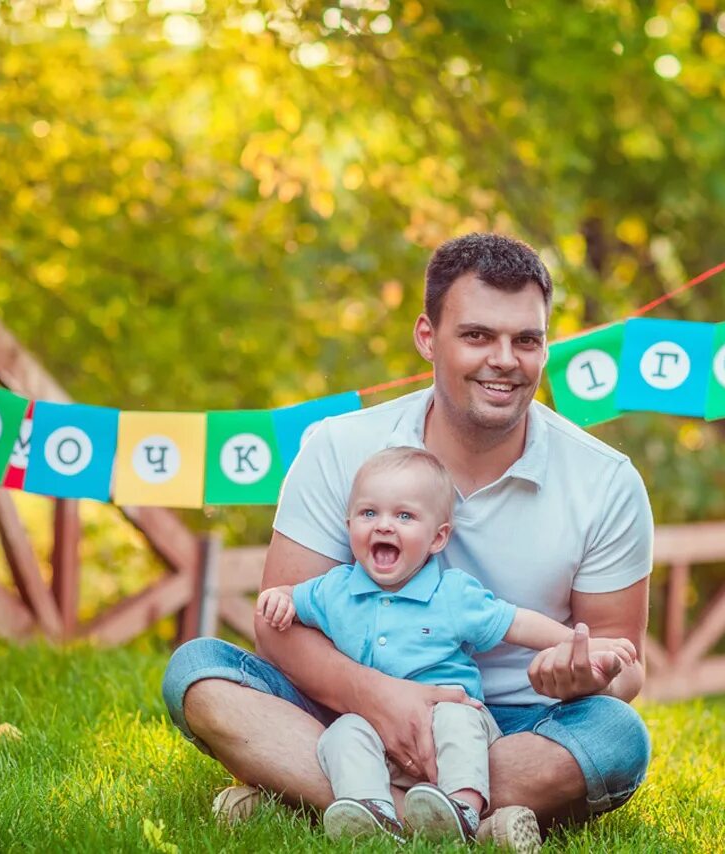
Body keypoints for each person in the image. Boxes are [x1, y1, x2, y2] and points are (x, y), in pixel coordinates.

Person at [162, 232, 654, 851]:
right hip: (346, 708)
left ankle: (329, 797)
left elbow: (625, 666)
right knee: (201, 672)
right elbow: (278, 625)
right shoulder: (337, 446)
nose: (505, 359)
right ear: (428, 337)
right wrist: (381, 698)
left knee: (618, 736)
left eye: (526, 340)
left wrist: (586, 675)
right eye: (477, 336)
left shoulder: (605, 481)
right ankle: (454, 819)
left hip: (514, 724)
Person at [255, 446, 637, 844]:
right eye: (369, 513)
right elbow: (288, 598)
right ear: (348, 523)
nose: (384, 526)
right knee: (344, 732)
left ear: (438, 537)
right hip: (376, 729)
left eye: (404, 516)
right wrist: (279, 598)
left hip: (453, 728)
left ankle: (462, 808)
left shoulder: (452, 593)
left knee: (457, 719)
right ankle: (372, 809)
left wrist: (583, 643)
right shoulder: (333, 589)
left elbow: (517, 623)